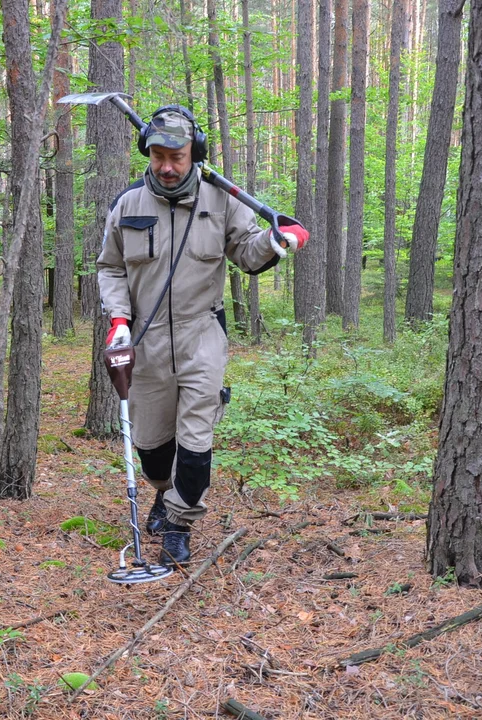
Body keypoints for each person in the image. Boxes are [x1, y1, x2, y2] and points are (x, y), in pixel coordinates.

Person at [96, 105, 308, 564]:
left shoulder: (222, 200)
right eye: (158, 157)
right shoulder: (127, 205)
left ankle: (178, 522)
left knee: (194, 440)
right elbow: (110, 267)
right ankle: (162, 491)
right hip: (145, 341)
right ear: (147, 153)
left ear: (196, 154)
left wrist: (276, 241)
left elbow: (248, 255)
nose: (167, 168)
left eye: (177, 157)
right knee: (151, 447)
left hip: (201, 335)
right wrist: (118, 320)